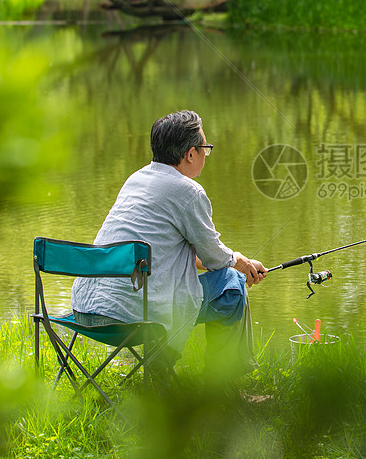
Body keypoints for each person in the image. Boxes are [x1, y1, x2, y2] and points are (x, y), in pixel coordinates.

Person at [71, 110, 267, 375]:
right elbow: (215, 259)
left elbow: (170, 254)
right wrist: (242, 264)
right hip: (131, 315)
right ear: (190, 154)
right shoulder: (188, 191)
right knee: (232, 286)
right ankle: (221, 386)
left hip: (86, 310)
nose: (205, 155)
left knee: (218, 277)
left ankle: (160, 369)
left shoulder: (137, 179)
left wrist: (237, 263)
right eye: (205, 149)